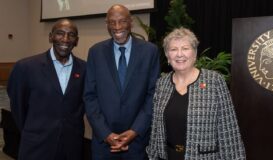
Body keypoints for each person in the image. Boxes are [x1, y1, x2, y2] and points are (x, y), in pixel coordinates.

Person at [146, 27, 246, 160]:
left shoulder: (214, 81)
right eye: (173, 49)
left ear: (194, 53)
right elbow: (155, 128)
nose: (179, 54)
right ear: (167, 55)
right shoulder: (162, 84)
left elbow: (228, 129)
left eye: (185, 48)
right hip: (168, 156)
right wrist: (153, 155)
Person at [84, 4, 160, 160]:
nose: (117, 27)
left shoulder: (149, 52)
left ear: (130, 22)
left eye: (122, 21)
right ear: (107, 24)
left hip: (137, 143)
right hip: (103, 144)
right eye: (112, 22)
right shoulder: (95, 52)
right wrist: (105, 133)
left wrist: (135, 130)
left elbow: (153, 95)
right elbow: (90, 96)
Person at [7, 19, 86, 160]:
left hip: (71, 147)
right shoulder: (26, 67)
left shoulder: (85, 69)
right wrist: (34, 131)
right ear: (51, 37)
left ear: (77, 40)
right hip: (36, 147)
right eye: (60, 33)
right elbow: (18, 106)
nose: (65, 39)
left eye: (71, 35)